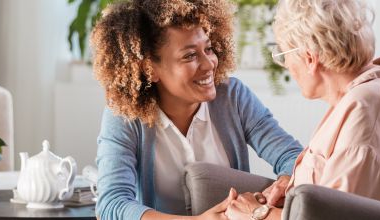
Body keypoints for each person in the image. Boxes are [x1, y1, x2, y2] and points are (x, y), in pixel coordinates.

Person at [224, 0, 380, 219]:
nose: (286, 66)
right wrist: (294, 188)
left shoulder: (368, 112)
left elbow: (336, 215)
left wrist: (257, 214)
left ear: (309, 58)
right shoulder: (370, 93)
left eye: (283, 55)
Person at [90, 0, 303, 219]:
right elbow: (111, 204)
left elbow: (292, 157)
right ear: (149, 69)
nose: (209, 64)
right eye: (190, 55)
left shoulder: (234, 97)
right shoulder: (126, 117)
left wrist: (286, 182)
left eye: (208, 49)